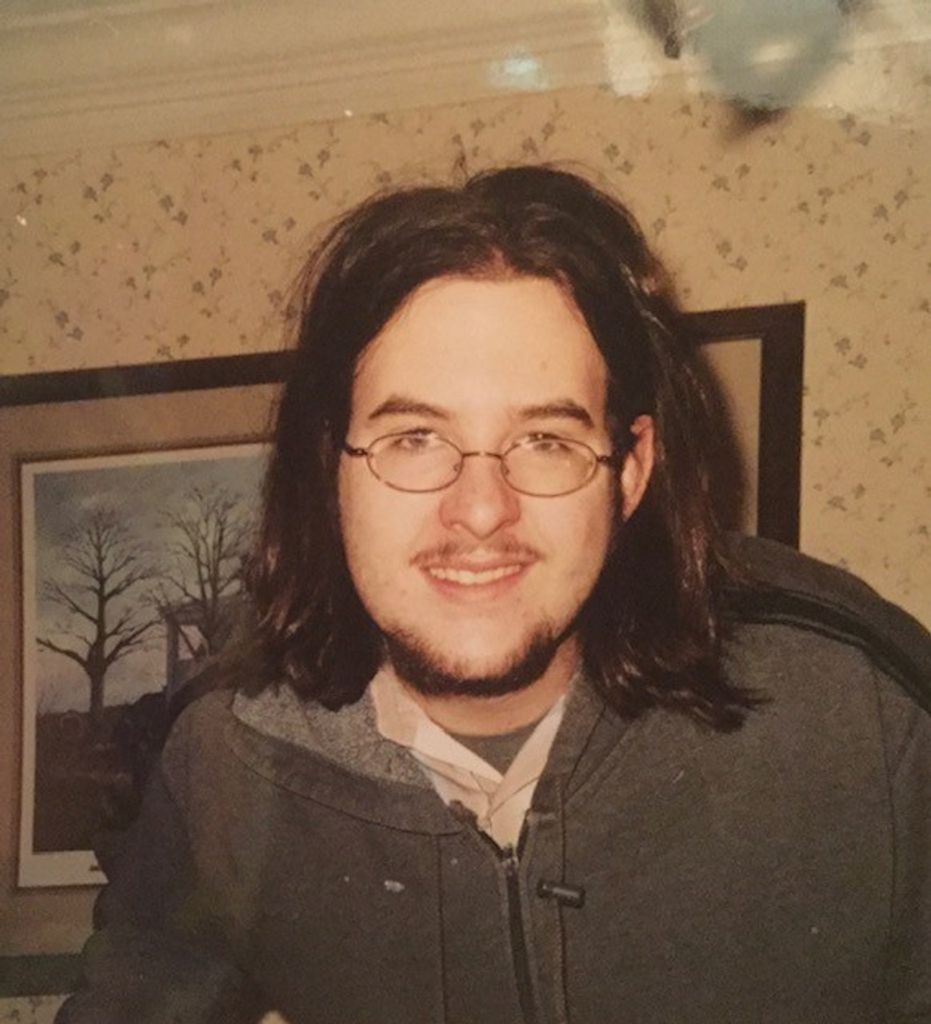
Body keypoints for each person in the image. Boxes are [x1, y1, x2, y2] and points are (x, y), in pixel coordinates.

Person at [58, 165, 931, 1024]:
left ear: (630, 471)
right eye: (413, 438)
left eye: (546, 440)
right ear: (330, 469)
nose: (480, 510)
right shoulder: (226, 762)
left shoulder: (855, 712)